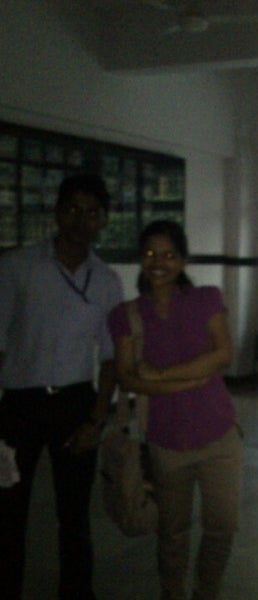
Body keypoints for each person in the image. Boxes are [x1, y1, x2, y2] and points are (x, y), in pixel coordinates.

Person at [0, 173, 124, 599]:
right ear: (57, 212)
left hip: (75, 405)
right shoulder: (17, 267)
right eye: (73, 209)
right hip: (18, 407)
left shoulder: (106, 280)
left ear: (103, 220)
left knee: (74, 517)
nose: (81, 220)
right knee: (8, 514)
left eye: (92, 212)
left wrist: (97, 420)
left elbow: (110, 358)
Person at [107, 220, 243, 600]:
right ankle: (172, 593)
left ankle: (206, 593)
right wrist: (190, 379)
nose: (159, 262)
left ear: (183, 260)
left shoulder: (206, 299)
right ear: (141, 258)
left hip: (219, 436)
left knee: (222, 526)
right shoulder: (126, 315)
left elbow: (223, 355)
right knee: (172, 532)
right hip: (166, 441)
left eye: (169, 255)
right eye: (151, 253)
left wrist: (163, 375)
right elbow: (127, 378)